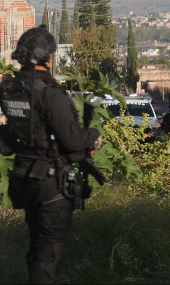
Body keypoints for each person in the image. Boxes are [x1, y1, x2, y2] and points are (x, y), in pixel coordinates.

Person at [0, 26, 102, 284]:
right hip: (50, 183)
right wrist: (93, 137)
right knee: (49, 250)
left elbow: (10, 140)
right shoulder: (50, 93)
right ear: (46, 57)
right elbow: (71, 140)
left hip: (25, 177)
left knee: (37, 246)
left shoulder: (11, 89)